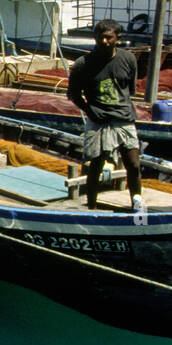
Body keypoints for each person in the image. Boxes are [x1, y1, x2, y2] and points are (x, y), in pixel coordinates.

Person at [66, 19, 143, 213]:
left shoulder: (128, 59)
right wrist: (89, 110)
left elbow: (129, 89)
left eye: (109, 37)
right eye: (100, 37)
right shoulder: (83, 64)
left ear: (118, 38)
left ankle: (137, 202)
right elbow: (73, 94)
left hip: (123, 118)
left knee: (133, 164)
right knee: (95, 166)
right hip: (97, 121)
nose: (104, 41)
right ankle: (92, 206)